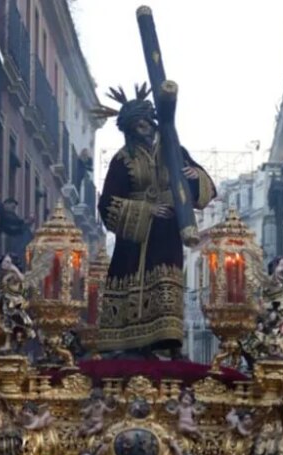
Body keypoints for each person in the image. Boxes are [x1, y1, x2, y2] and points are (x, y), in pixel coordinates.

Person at [94, 84, 216, 359]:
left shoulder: (174, 150)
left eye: (146, 123)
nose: (144, 129)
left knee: (165, 282)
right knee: (130, 279)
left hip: (167, 231)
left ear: (152, 121)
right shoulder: (122, 159)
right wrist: (146, 209)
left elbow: (203, 191)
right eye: (137, 126)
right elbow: (107, 204)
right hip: (135, 237)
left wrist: (195, 175)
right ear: (129, 130)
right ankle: (128, 341)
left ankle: (168, 341)